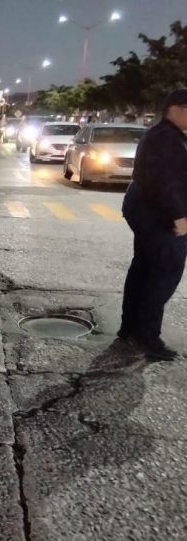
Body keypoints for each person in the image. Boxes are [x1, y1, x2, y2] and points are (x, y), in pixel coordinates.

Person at [119, 89, 187, 361]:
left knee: (144, 270)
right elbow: (165, 183)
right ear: (177, 108)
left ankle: (131, 327)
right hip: (159, 219)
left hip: (148, 214)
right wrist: (179, 217)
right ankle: (147, 336)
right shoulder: (166, 138)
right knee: (162, 275)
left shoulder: (164, 135)